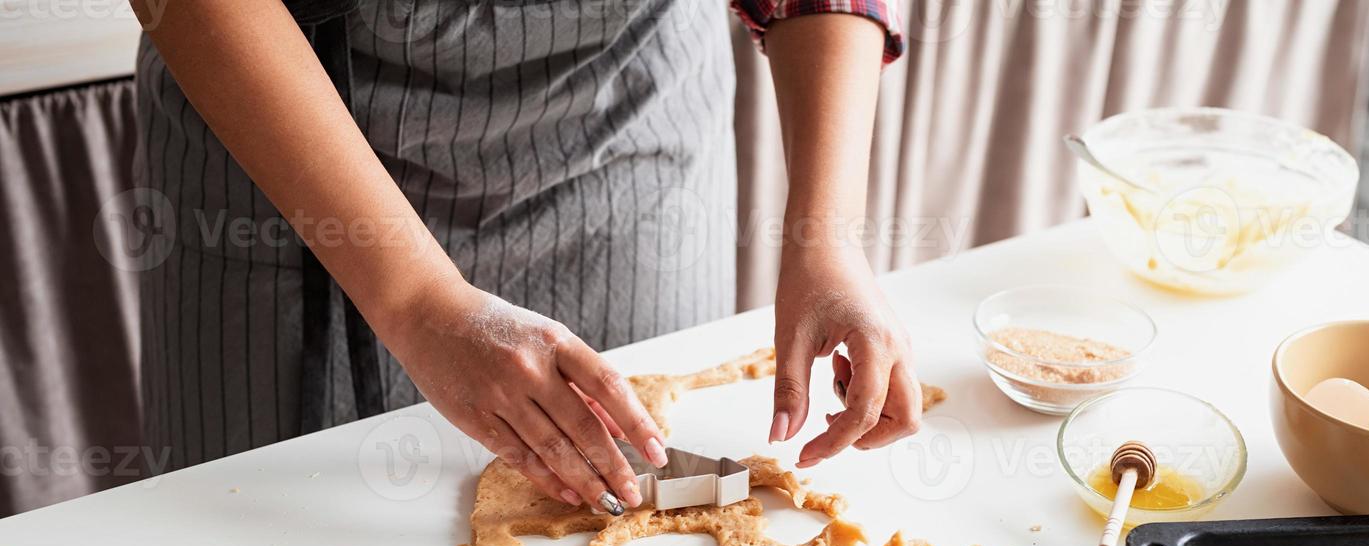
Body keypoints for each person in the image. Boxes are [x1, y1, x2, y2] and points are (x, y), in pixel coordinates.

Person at [130, 0, 921, 513]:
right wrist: (416, 300)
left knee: (644, 528)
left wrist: (829, 237)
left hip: (625, 120)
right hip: (298, 142)